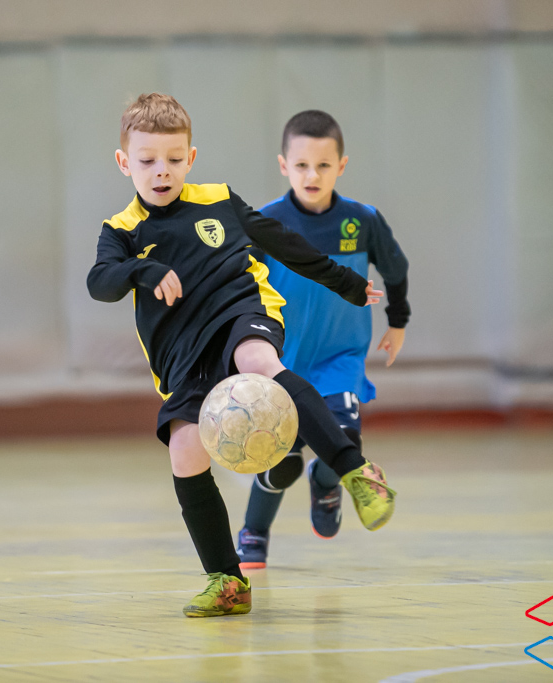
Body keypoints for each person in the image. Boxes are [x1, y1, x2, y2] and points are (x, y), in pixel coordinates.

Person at [86, 93, 396, 618]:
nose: (162, 171)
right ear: (124, 162)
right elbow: (100, 282)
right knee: (184, 451)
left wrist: (345, 282)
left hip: (241, 311)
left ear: (191, 157)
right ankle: (228, 581)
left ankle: (356, 471)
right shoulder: (121, 230)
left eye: (174, 158)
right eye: (147, 160)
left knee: (259, 362)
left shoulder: (220, 201)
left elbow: (286, 243)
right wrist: (143, 269)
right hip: (184, 355)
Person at [235, 110, 411, 569]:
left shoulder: (363, 221)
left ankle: (327, 484)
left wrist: (397, 320)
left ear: (342, 166)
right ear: (283, 165)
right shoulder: (265, 223)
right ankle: (254, 531)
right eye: (301, 165)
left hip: (339, 359)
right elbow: (239, 287)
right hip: (281, 364)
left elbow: (395, 269)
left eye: (323, 165)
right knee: (281, 459)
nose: (312, 176)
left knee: (344, 441)